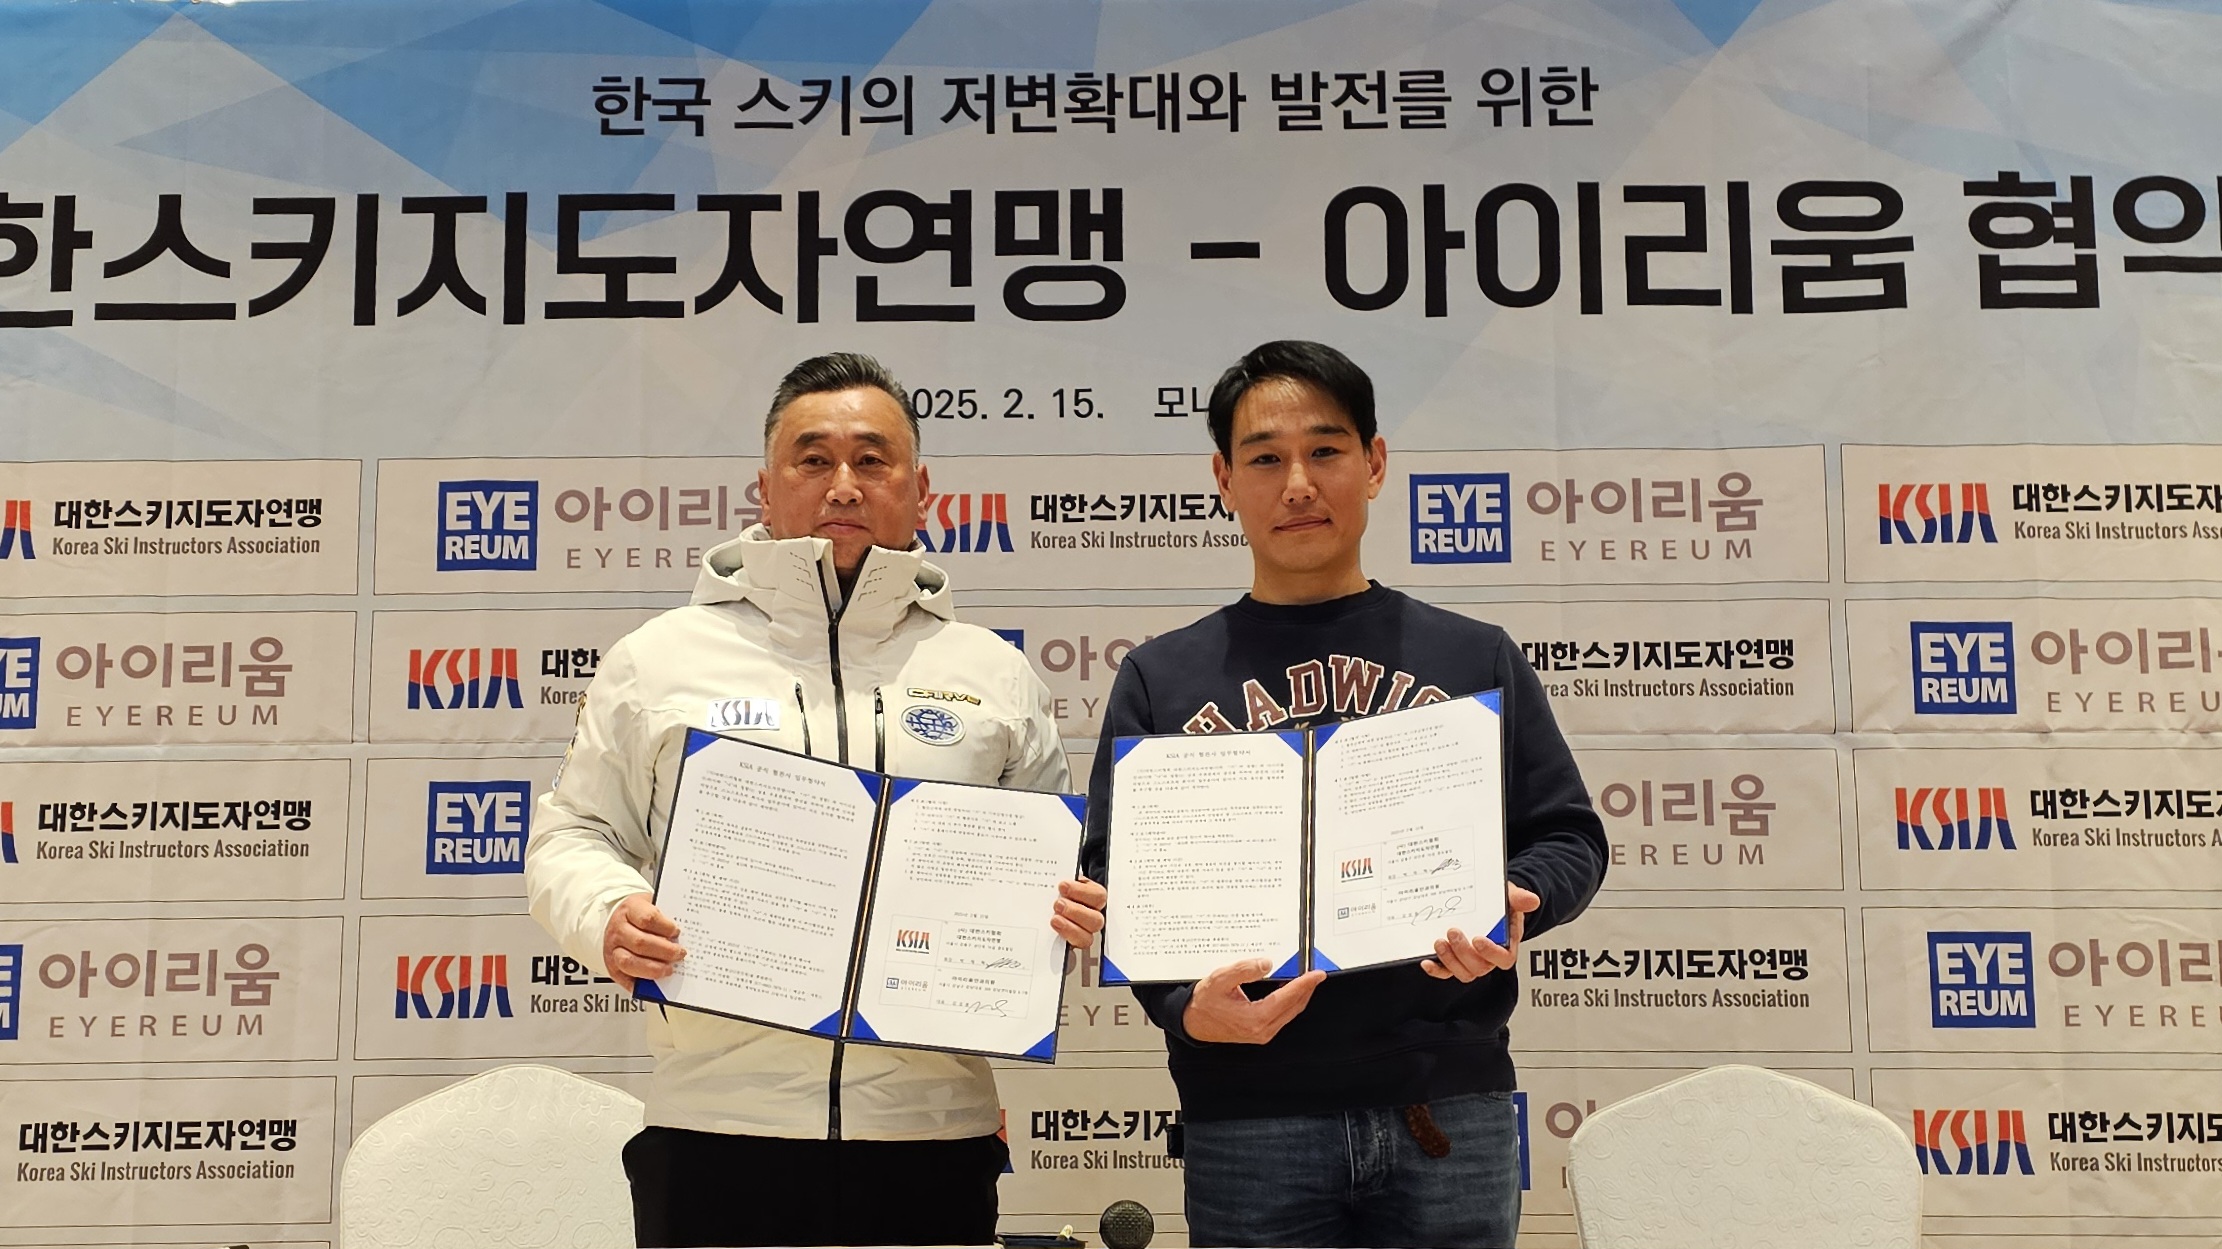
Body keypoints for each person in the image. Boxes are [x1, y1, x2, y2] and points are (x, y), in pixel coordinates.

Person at [527, 351, 1107, 1248]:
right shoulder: (659, 658)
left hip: (934, 1133)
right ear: (765, 488)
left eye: (872, 459)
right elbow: (574, 832)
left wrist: (1063, 910)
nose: (843, 484)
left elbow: (1049, 866)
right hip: (717, 1128)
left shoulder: (993, 674)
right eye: (813, 459)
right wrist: (608, 912)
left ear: (921, 492)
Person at [1079, 340, 1608, 1249]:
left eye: (1325, 450)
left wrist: (1519, 896)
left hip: (1446, 1106)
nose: (1298, 484)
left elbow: (1568, 835)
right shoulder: (1161, 678)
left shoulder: (1471, 656)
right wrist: (1181, 1008)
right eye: (1265, 458)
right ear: (1224, 478)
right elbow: (1113, 877)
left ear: (1374, 463)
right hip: (1248, 1114)